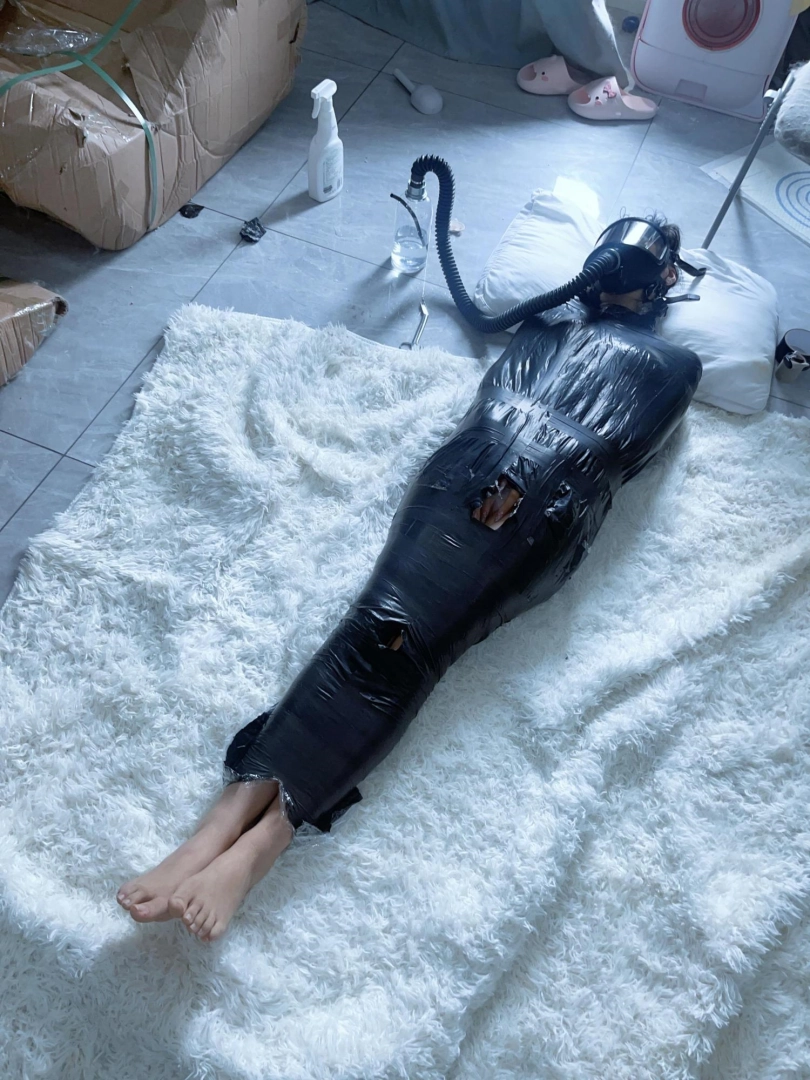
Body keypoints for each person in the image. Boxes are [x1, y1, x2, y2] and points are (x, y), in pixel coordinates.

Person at [116, 216, 702, 943]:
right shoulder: (545, 326)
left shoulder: (676, 366)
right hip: (461, 471)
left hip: (542, 507)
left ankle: (268, 835)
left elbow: (617, 456)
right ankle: (224, 822)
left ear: (666, 278)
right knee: (370, 618)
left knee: (406, 644)